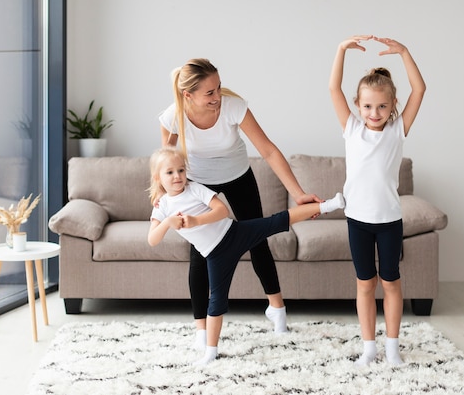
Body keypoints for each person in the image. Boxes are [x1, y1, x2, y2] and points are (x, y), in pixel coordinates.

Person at [158, 58, 322, 348]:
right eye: (209, 93)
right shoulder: (173, 117)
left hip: (237, 176)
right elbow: (166, 161)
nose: (217, 96)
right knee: (200, 252)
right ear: (189, 95)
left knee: (257, 239)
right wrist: (161, 192)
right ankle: (201, 330)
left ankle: (278, 310)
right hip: (198, 183)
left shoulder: (233, 106)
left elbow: (268, 150)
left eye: (218, 87)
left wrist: (297, 193)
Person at [147, 147, 345, 365]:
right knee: (216, 301)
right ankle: (210, 352)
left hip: (234, 234)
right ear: (158, 178)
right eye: (170, 172)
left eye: (181, 170)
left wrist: (195, 221)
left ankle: (329, 205)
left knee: (276, 221)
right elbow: (152, 239)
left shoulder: (195, 189)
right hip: (214, 255)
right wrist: (167, 223)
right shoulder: (162, 205)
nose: (177, 176)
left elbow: (222, 211)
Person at [328, 35, 426, 366]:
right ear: (358, 105)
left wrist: (405, 52)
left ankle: (393, 348)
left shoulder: (398, 130)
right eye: (368, 106)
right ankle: (369, 348)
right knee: (365, 284)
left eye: (382, 106)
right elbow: (333, 89)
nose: (375, 112)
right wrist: (341, 50)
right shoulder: (351, 129)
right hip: (357, 220)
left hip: (388, 221)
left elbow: (420, 90)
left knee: (391, 282)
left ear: (393, 106)